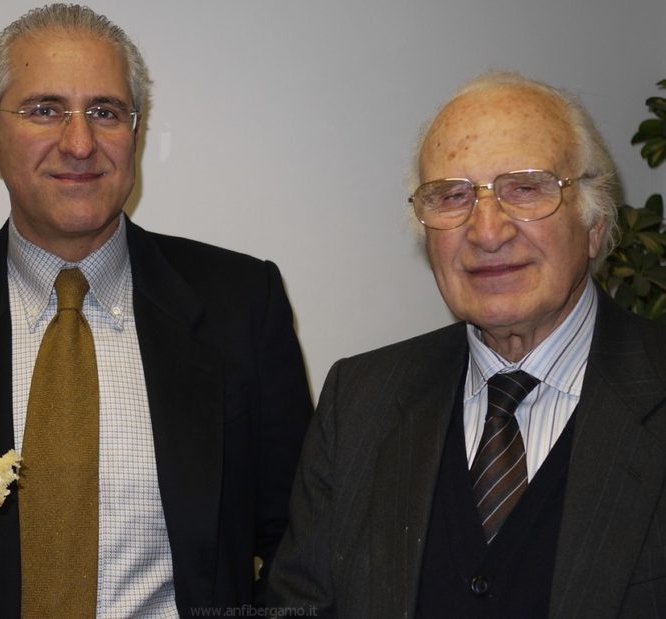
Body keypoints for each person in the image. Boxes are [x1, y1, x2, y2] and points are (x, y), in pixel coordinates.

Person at [0, 4, 312, 618]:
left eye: (105, 112)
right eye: (45, 110)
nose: (80, 143)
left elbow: (303, 545)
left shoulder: (243, 304)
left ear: (135, 133)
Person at [267, 71, 666, 618]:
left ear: (594, 223)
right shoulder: (358, 400)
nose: (487, 231)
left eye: (525, 188)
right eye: (451, 197)